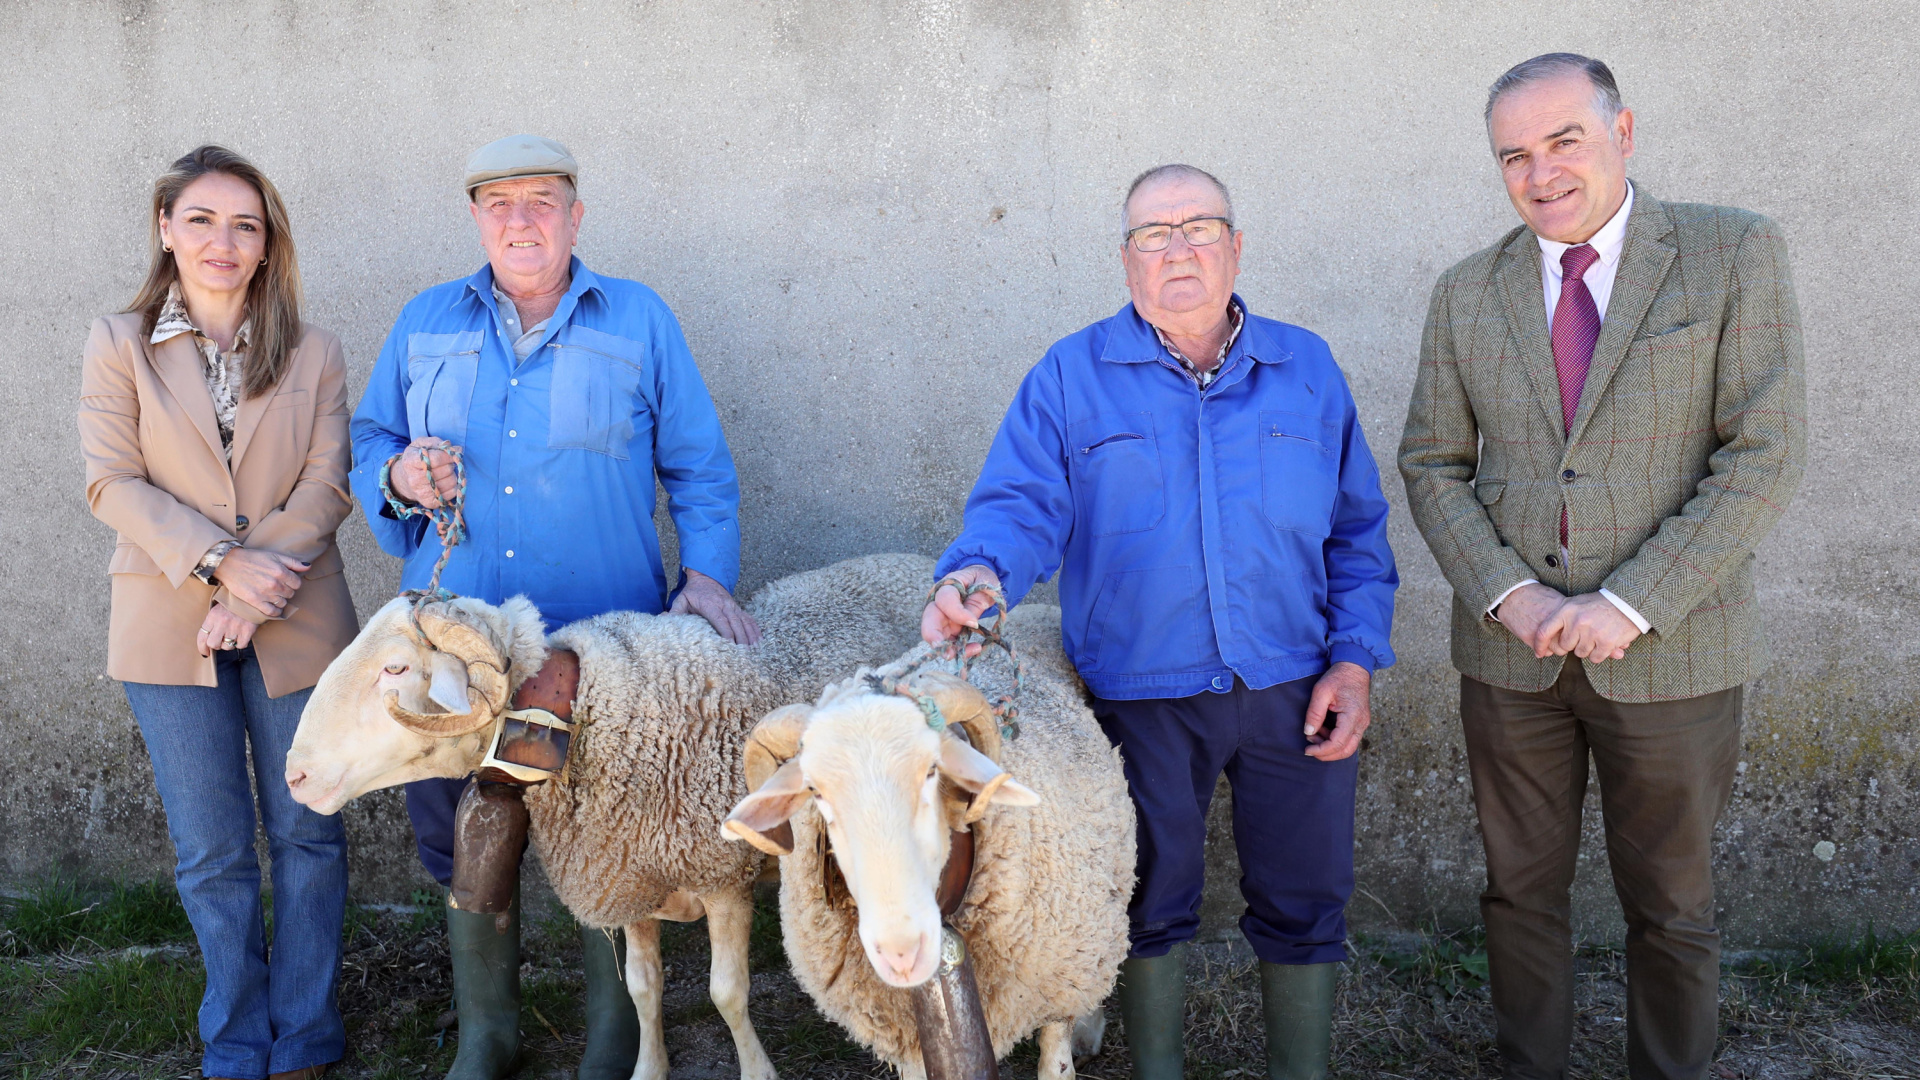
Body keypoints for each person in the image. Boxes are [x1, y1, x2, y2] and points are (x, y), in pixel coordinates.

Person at [922, 164, 1398, 1080]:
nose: (1178, 249)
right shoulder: (1071, 375)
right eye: (1153, 234)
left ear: (1236, 245)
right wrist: (980, 573)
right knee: (1146, 897)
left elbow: (1357, 532)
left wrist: (1354, 662)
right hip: (1141, 695)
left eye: (1199, 227)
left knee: (1306, 898)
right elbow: (1020, 505)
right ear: (1126, 259)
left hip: (1293, 686)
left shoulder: (1306, 369)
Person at [1398, 54, 1806, 1080]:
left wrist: (1634, 601)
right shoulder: (1466, 293)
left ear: (1623, 132)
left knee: (1672, 906)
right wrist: (1507, 590)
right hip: (1512, 661)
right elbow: (1433, 463)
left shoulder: (1730, 255)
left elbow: (1764, 455)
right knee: (1517, 896)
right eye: (1514, 157)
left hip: (1673, 655)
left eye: (1564, 141)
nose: (1541, 174)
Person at [350, 134, 758, 1080]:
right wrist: (400, 473)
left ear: (577, 216)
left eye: (542, 200)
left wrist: (707, 575)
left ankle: (616, 1036)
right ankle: (488, 1032)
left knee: (605, 826)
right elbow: (369, 439)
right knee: (460, 823)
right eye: (500, 203)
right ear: (476, 220)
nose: (521, 219)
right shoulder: (422, 323)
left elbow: (699, 466)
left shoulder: (640, 321)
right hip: (455, 635)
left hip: (600, 644)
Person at [79, 145, 356, 1080]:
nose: (222, 241)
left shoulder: (314, 351)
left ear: (268, 240)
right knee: (211, 852)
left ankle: (307, 1034)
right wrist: (225, 568)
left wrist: (257, 582)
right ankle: (236, 1041)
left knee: (309, 834)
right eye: (200, 219)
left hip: (298, 620)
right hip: (166, 627)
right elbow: (111, 483)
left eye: (245, 223)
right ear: (166, 227)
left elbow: (326, 485)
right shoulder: (118, 342)